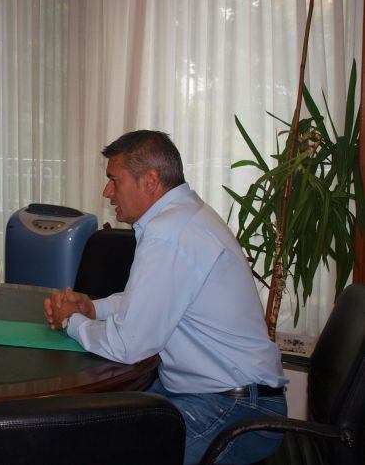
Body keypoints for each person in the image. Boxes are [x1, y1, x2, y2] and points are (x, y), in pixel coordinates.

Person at [43, 130, 287, 465]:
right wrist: (92, 308)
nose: (107, 192)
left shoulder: (171, 232)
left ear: (151, 181)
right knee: (88, 429)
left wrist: (72, 322)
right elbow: (146, 302)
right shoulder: (181, 217)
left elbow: (130, 343)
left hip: (235, 410)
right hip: (211, 394)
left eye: (115, 180)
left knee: (99, 451)